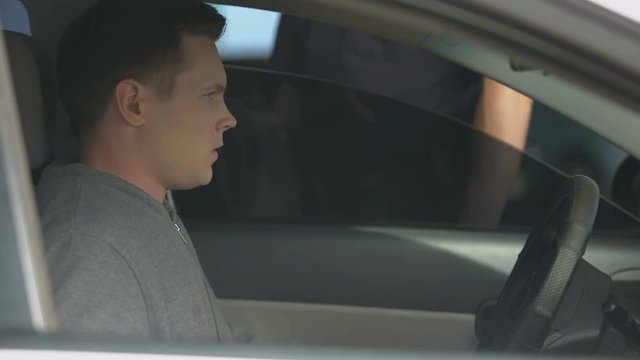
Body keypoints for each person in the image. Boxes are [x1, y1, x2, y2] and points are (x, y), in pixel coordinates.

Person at [36, 0, 237, 341]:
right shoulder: (90, 249)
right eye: (209, 96)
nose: (228, 118)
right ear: (133, 104)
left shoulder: (142, 205)